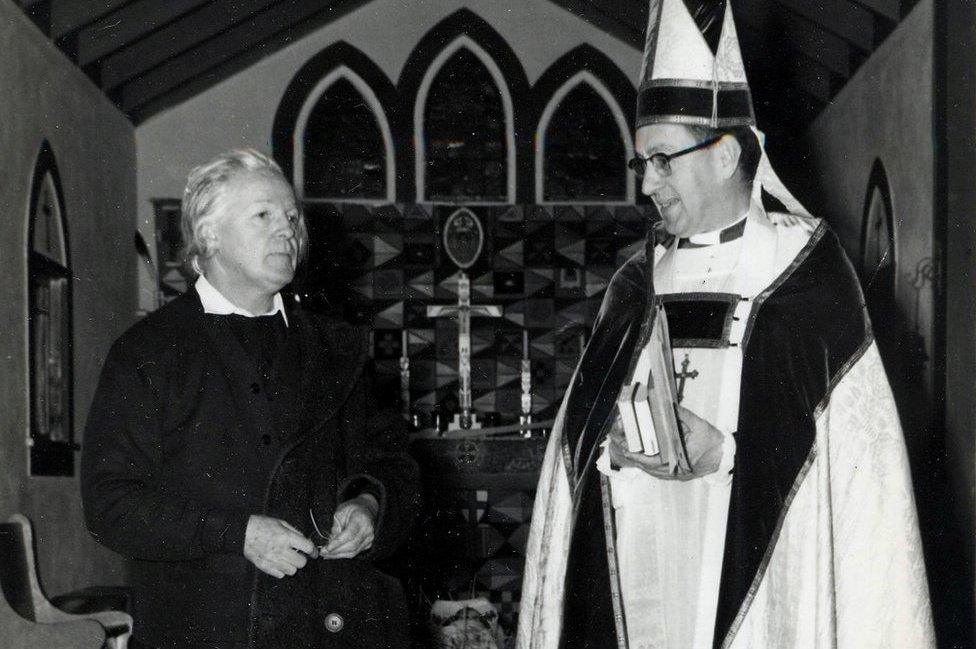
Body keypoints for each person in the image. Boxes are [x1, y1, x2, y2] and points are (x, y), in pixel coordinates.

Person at [517, 1, 934, 648]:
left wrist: (726, 454)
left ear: (724, 154)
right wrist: (612, 450)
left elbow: (853, 482)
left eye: (663, 159)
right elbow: (573, 457)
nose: (648, 183)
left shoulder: (803, 276)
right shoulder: (636, 282)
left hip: (760, 600)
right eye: (641, 163)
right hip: (638, 589)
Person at [81, 148, 419, 649]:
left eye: (290, 217)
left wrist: (370, 504)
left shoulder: (338, 348)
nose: (287, 230)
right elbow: (111, 506)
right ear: (210, 234)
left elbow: (393, 461)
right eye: (263, 215)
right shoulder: (149, 350)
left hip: (332, 624)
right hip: (207, 627)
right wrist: (236, 533)